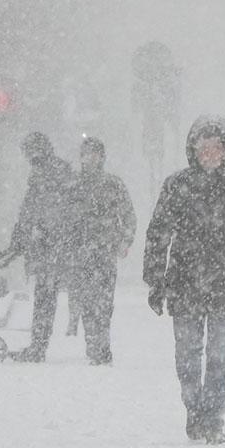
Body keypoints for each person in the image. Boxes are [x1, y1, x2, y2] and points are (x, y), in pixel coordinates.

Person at [143, 116, 225, 445]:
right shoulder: (177, 185)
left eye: (217, 146)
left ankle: (213, 418)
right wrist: (155, 280)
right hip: (185, 283)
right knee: (187, 354)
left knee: (219, 355)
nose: (211, 152)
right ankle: (194, 408)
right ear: (194, 149)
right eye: (204, 146)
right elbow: (158, 234)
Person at [7, 132, 76, 363]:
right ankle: (38, 344)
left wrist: (30, 231)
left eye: (28, 152)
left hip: (52, 245)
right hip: (50, 244)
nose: (27, 157)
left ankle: (39, 345)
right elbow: (32, 207)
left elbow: (39, 208)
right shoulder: (48, 171)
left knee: (46, 295)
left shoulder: (50, 172)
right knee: (45, 295)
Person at [67, 135, 136, 365]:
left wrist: (125, 241)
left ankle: (103, 345)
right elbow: (65, 220)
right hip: (81, 252)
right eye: (86, 154)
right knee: (86, 300)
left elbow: (128, 215)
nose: (90, 159)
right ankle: (92, 345)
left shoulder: (113, 184)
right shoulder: (74, 185)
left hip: (106, 251)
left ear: (102, 157)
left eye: (95, 154)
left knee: (105, 302)